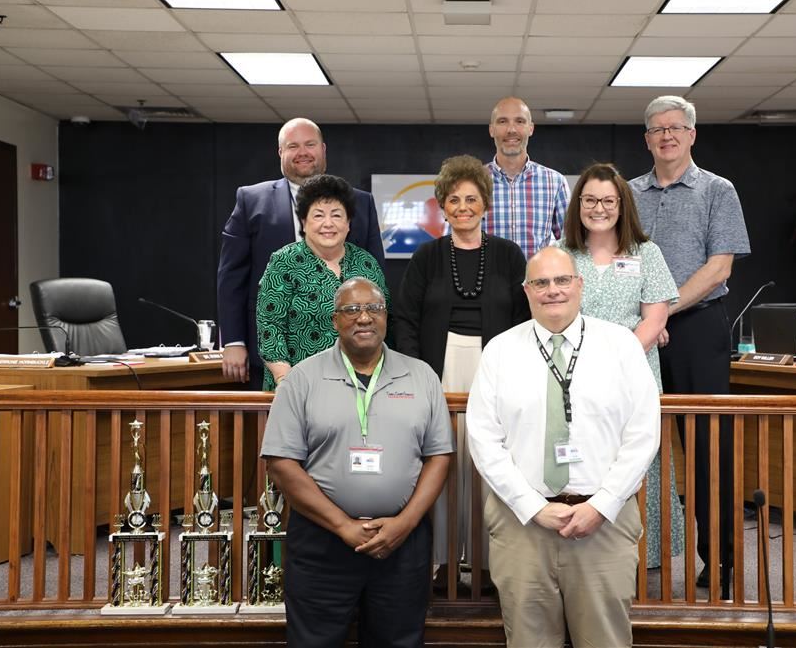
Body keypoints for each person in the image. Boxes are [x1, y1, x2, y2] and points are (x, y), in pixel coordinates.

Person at [466, 246, 660, 648]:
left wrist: (601, 505)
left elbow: (643, 434)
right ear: (527, 290)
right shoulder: (499, 351)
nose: (552, 290)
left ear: (579, 284)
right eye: (541, 282)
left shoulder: (621, 345)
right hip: (523, 525)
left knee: (604, 641)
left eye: (562, 280)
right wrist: (532, 506)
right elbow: (484, 440)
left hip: (603, 522)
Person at [261, 277, 453, 648]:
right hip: (322, 541)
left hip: (402, 542)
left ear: (385, 317)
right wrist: (343, 525)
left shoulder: (421, 376)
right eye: (351, 310)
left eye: (374, 309)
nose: (364, 317)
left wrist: (405, 523)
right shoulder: (301, 379)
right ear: (335, 321)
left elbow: (439, 456)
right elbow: (281, 463)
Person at [629, 95, 751, 593]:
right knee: (633, 442)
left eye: (676, 127)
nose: (667, 136)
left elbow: (719, 267)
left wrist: (664, 309)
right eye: (658, 129)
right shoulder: (628, 193)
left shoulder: (718, 191)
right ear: (647, 139)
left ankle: (718, 560)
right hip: (636, 333)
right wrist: (646, 317)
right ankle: (637, 553)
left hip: (696, 327)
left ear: (692, 134)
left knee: (707, 448)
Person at [396, 154, 530, 590]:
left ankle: (489, 565)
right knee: (441, 464)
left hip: (496, 372)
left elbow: (525, 321)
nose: (464, 207)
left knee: (491, 465)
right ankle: (443, 563)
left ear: (485, 204)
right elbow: (407, 321)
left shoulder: (510, 257)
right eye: (454, 199)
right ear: (442, 206)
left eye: (472, 199)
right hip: (439, 372)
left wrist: (515, 375)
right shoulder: (427, 257)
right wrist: (419, 376)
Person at [558, 162, 684, 569]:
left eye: (608, 201)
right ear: (579, 204)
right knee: (585, 456)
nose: (599, 208)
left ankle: (644, 558)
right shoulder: (562, 254)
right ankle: (581, 547)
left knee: (638, 457)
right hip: (572, 374)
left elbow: (655, 317)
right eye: (591, 200)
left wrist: (615, 358)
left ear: (622, 205)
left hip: (633, 373)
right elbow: (550, 311)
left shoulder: (646, 253)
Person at [217, 117, 385, 389]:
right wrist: (234, 341)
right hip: (278, 357)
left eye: (310, 144)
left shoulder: (359, 202)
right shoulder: (251, 200)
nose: (303, 152)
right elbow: (231, 277)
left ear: (324, 150)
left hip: (354, 360)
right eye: (293, 146)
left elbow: (377, 286)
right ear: (280, 153)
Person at [256, 174, 389, 391]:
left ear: (348, 224)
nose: (328, 224)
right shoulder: (283, 262)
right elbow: (270, 328)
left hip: (362, 384)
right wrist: (286, 382)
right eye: (318, 215)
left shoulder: (366, 263)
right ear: (304, 223)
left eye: (337, 215)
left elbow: (384, 320)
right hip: (299, 385)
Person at [484, 97, 570, 258]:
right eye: (502, 121)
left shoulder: (555, 182)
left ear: (530, 129)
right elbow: (456, 241)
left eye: (519, 121)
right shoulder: (473, 181)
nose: (511, 129)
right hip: (485, 282)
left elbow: (570, 243)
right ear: (492, 130)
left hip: (536, 281)